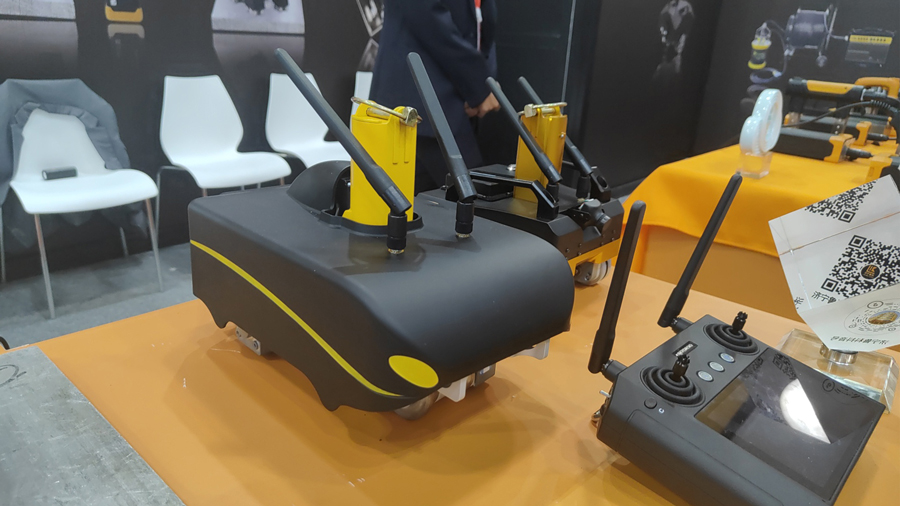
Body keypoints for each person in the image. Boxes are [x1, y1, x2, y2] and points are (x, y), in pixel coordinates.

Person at [369, 0, 500, 193]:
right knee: (471, 199)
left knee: (464, 199)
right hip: (419, 105)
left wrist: (484, 80)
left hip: (458, 104)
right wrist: (478, 85)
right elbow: (428, 19)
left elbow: (482, 21)